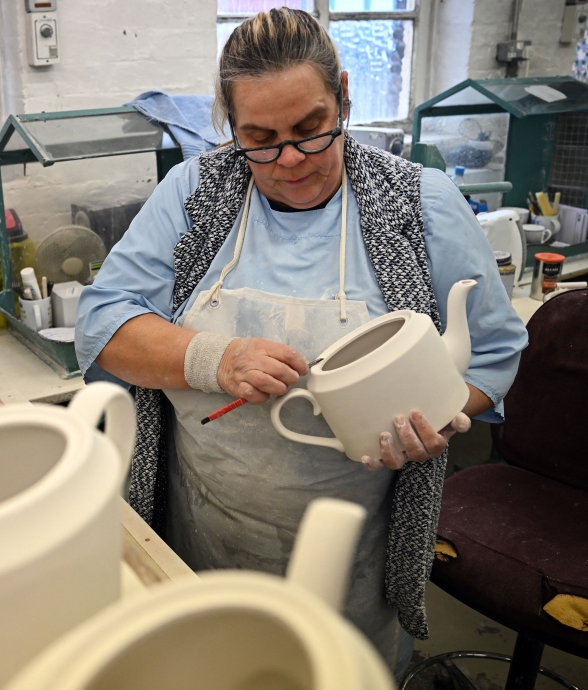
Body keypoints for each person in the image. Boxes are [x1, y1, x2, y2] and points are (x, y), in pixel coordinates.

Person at [75, 7, 528, 675]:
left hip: (353, 547)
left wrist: (436, 411)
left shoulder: (418, 204)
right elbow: (102, 322)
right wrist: (211, 358)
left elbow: (492, 351)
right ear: (229, 127)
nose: (289, 160)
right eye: (259, 138)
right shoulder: (195, 196)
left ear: (343, 95)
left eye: (311, 130)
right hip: (201, 522)